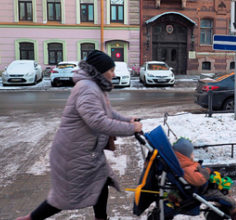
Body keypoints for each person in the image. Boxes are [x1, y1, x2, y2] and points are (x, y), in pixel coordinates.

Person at [16, 50, 143, 220]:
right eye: (111, 70)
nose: (114, 74)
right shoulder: (87, 89)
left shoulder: (94, 87)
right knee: (64, 197)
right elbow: (98, 122)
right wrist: (131, 129)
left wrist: (128, 120)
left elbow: (107, 113)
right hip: (73, 154)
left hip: (86, 152)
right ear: (100, 71)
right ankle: (30, 218)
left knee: (101, 182)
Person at [172, 138, 236, 220]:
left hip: (200, 187)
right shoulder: (186, 168)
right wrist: (208, 171)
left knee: (221, 190)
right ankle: (234, 210)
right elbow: (199, 179)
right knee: (220, 195)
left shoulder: (183, 164)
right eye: (191, 153)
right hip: (200, 190)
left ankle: (226, 206)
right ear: (185, 154)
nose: (193, 155)